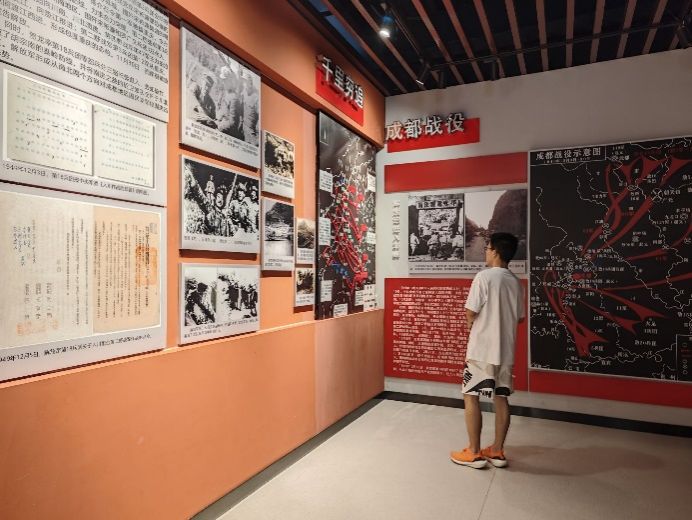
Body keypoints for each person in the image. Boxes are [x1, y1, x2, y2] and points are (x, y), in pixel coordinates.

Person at [450, 232, 525, 469]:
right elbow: (520, 318)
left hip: (481, 350)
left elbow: (471, 311)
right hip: (505, 351)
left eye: (488, 248)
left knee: (471, 396)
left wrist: (470, 323)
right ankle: (497, 451)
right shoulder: (515, 282)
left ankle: (473, 452)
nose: (486, 252)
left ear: (495, 251)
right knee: (501, 398)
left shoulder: (484, 277)